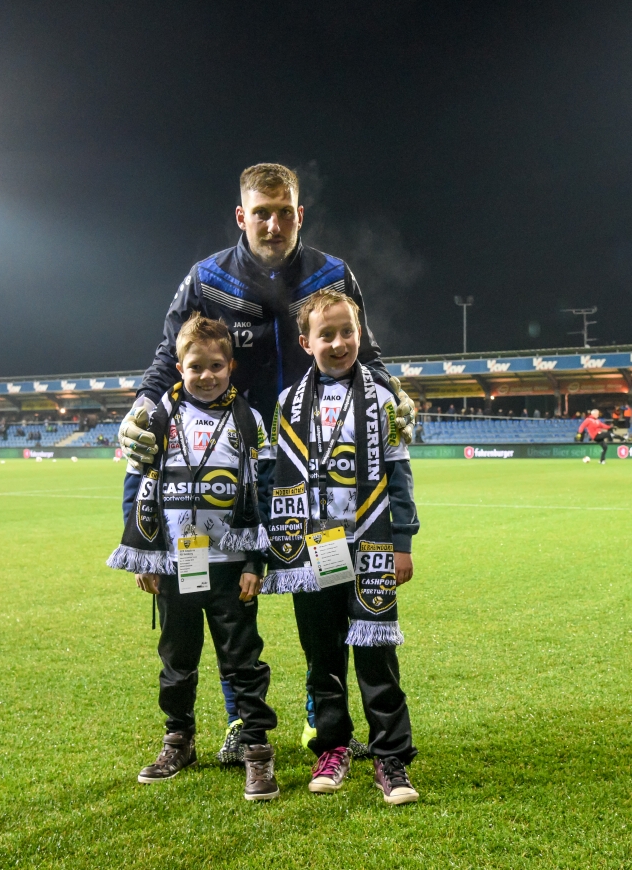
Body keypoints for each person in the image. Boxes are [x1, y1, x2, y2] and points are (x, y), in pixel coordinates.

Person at [118, 161, 414, 758]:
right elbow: (166, 353)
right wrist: (143, 405)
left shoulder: (334, 275)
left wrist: (397, 393)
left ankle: (320, 714)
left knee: (321, 590)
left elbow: (368, 351)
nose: (273, 224)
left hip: (317, 463)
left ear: (299, 214)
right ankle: (240, 724)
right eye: (261, 213)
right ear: (241, 216)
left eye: (284, 213)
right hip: (237, 461)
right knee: (233, 598)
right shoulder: (204, 278)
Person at [107, 313, 280, 801]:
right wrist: (143, 555)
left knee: (242, 662)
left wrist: (254, 563)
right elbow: (136, 484)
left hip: (230, 567)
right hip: (176, 565)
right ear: (179, 365)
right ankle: (178, 739)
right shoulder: (158, 416)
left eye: (216, 366)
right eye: (195, 366)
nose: (206, 375)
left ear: (232, 366)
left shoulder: (248, 421)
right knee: (176, 660)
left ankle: (256, 751)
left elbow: (263, 495)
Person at [261, 288, 420, 805]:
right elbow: (273, 480)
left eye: (346, 331)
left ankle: (390, 757)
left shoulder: (384, 398)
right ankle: (332, 747)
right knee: (322, 656)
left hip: (369, 544)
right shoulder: (288, 403)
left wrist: (403, 542)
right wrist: (275, 547)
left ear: (360, 334)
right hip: (312, 552)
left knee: (377, 652)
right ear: (306, 342)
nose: (337, 342)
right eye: (325, 334)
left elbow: (399, 476)